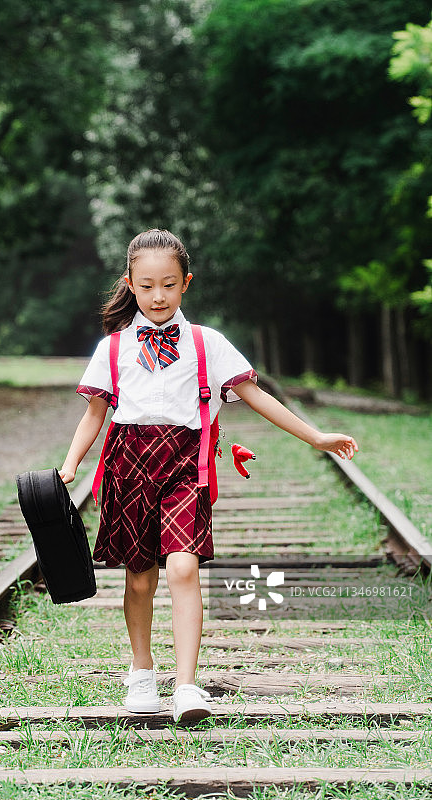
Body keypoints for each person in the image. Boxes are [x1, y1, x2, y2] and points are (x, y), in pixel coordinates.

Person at [59, 228, 358, 724]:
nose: (158, 296)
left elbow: (257, 398)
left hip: (185, 466)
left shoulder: (207, 343)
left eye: (169, 285)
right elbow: (94, 414)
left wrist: (317, 437)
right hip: (129, 466)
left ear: (186, 284)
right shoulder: (112, 348)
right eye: (148, 285)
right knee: (140, 580)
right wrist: (71, 464)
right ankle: (140, 671)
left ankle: (187, 685)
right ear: (130, 284)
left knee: (182, 568)